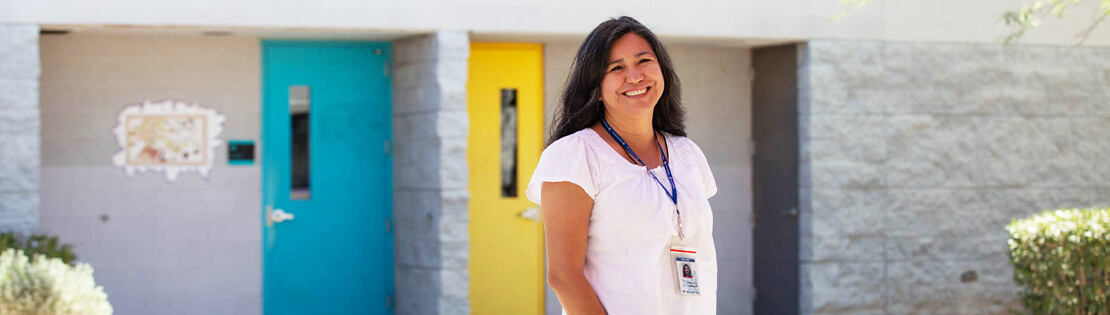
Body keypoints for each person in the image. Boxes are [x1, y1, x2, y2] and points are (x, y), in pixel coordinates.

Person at [526, 16, 718, 315]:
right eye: (616, 68)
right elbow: (564, 276)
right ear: (596, 87)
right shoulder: (575, 155)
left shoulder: (687, 154)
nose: (635, 76)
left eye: (644, 61)